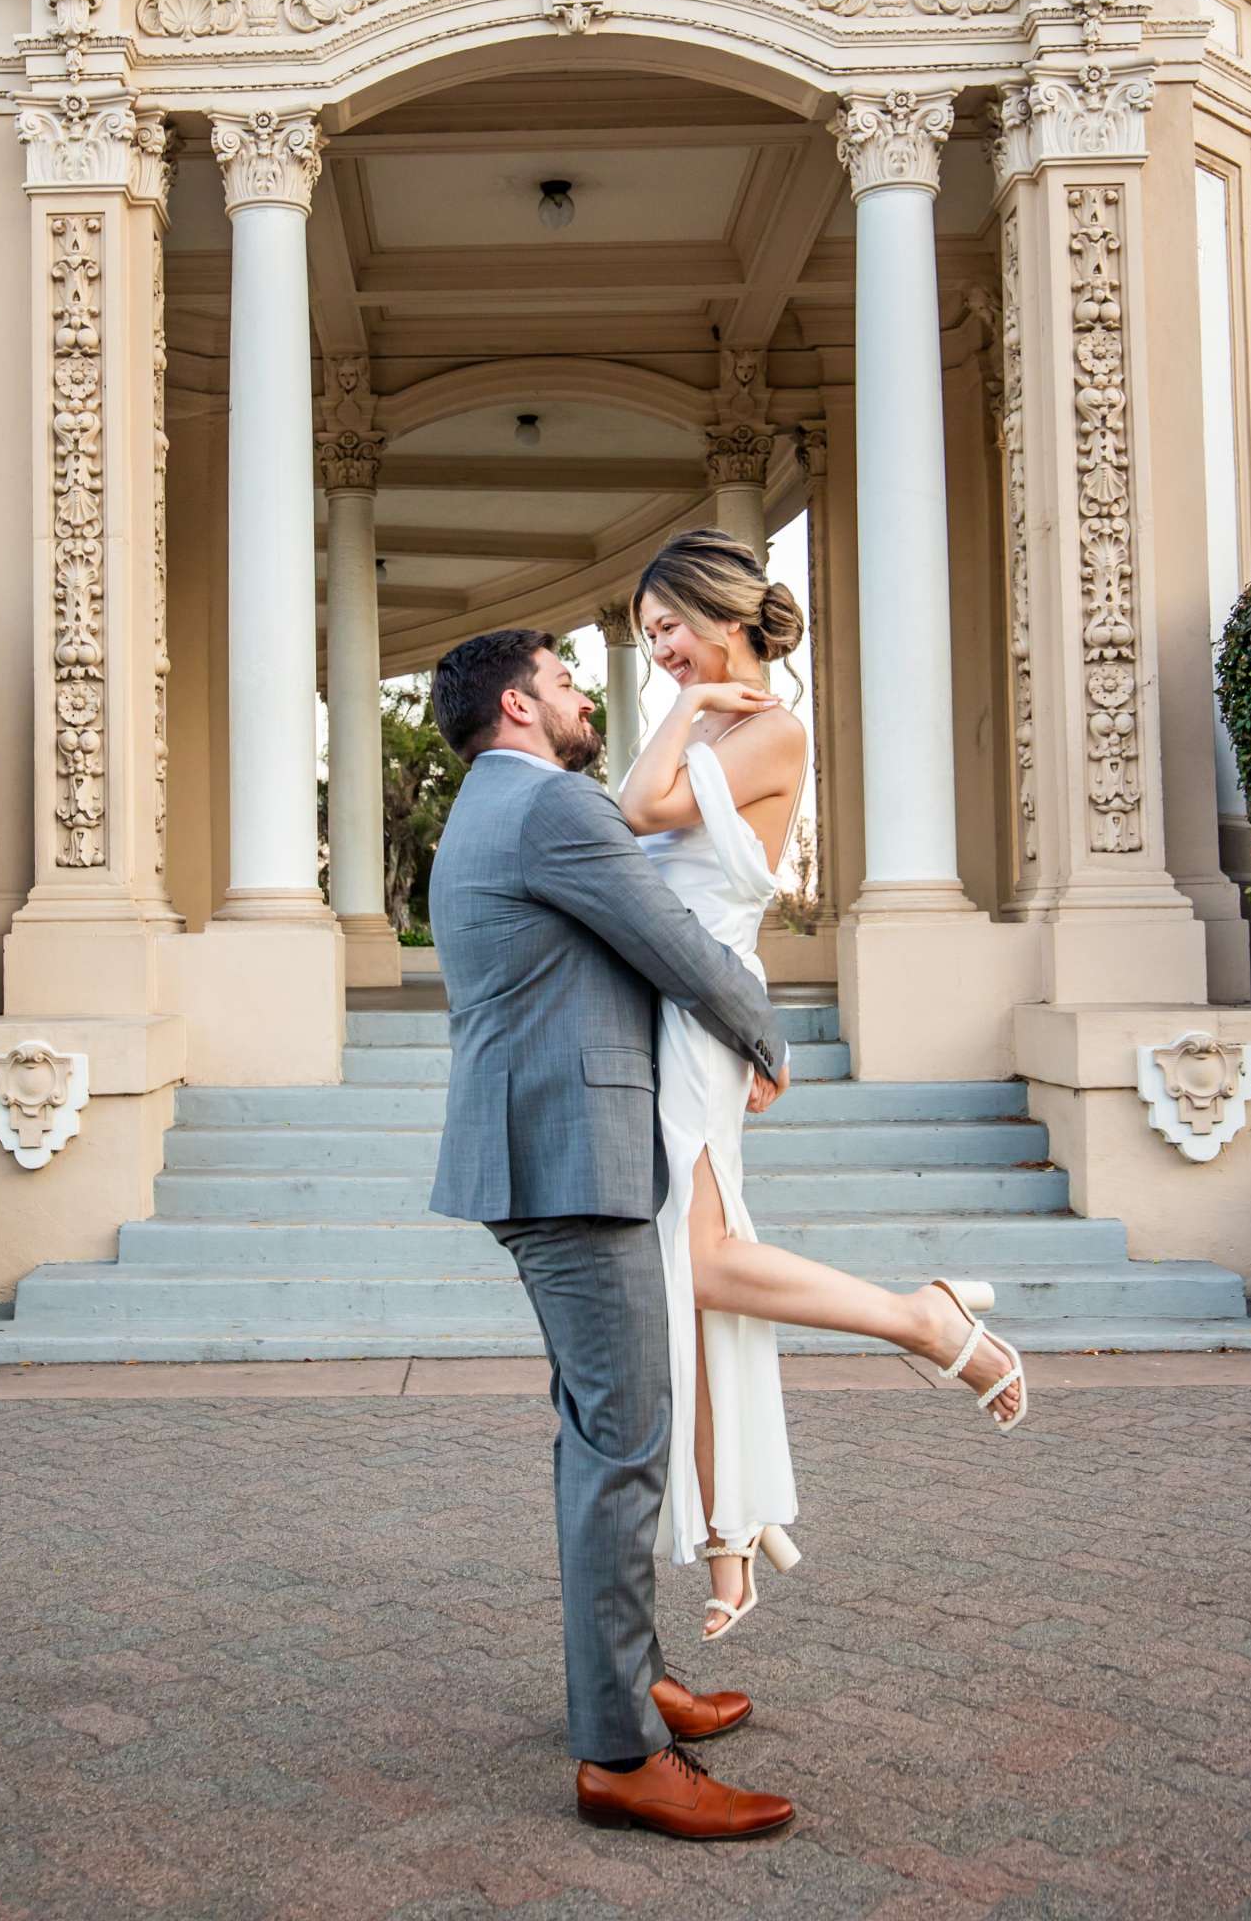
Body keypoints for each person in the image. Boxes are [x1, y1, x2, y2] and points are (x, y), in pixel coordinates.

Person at [618, 530, 1027, 1644]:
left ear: (723, 615)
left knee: (698, 1264)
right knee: (688, 1275)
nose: (659, 652)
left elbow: (636, 814)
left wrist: (693, 711)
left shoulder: (772, 728)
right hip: (676, 1004)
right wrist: (695, 708)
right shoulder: (725, 724)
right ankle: (727, 1537)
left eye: (669, 629)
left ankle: (922, 1322)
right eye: (645, 637)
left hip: (698, 1008)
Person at [426, 627, 797, 1841]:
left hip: (544, 1151)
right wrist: (765, 1036)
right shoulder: (550, 811)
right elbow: (673, 944)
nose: (584, 693)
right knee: (626, 1443)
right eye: (566, 678)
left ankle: (623, 1684)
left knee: (601, 1438)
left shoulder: (491, 807)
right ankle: (622, 1756)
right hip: (570, 1162)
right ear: (519, 708)